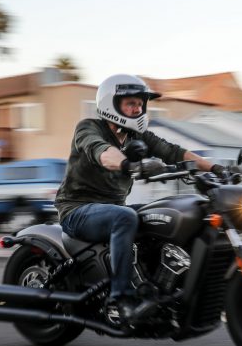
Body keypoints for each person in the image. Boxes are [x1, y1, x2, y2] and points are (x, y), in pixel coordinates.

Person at [54, 74, 224, 327]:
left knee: (160, 215)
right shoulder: (89, 127)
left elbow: (174, 151)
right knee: (125, 217)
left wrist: (216, 168)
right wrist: (128, 164)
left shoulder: (137, 136)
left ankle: (155, 288)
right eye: (131, 103)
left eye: (140, 104)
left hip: (112, 208)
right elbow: (101, 151)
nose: (138, 109)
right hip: (77, 210)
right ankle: (121, 298)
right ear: (112, 104)